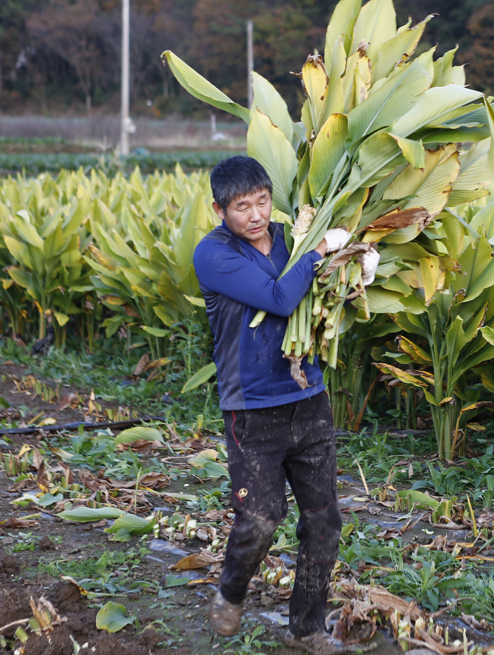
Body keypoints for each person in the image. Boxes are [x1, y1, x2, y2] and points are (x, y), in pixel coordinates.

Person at [193, 157, 376, 655]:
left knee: (324, 522)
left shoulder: (291, 237)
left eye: (262, 201)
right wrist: (319, 252)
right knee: (261, 519)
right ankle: (231, 591)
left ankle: (306, 629)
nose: (255, 215)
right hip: (251, 408)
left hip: (309, 397)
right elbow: (278, 298)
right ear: (219, 209)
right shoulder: (213, 255)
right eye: (240, 207)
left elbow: (321, 295)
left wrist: (355, 264)